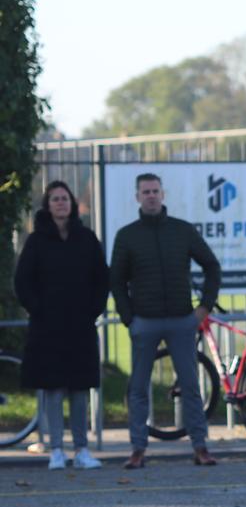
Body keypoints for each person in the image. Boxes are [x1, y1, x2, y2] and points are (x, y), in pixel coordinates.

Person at [110, 172, 221, 469]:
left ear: (163, 194)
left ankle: (200, 447)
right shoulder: (127, 235)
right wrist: (128, 318)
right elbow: (116, 281)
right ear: (137, 197)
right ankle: (137, 449)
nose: (151, 196)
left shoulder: (182, 231)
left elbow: (212, 266)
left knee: (191, 385)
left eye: (155, 191)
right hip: (143, 322)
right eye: (145, 191)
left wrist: (204, 307)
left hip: (182, 320)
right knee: (138, 388)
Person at [13, 181, 108, 471]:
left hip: (80, 325)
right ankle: (56, 448)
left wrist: (92, 309)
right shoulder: (36, 241)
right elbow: (22, 282)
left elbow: (101, 278)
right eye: (54, 199)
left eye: (64, 198)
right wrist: (39, 309)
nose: (60, 203)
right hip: (48, 327)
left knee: (80, 389)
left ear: (72, 203)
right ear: (48, 204)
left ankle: (81, 449)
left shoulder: (87, 238)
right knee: (53, 390)